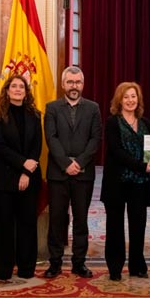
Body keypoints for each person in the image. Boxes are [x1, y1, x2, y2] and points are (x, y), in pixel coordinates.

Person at [43, 66, 102, 279]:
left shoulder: (93, 108)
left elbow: (95, 139)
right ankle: (55, 263)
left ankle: (79, 263)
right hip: (58, 174)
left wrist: (79, 162)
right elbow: (51, 138)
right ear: (63, 84)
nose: (74, 86)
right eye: (70, 82)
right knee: (57, 220)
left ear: (82, 85)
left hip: (83, 174)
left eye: (77, 82)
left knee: (81, 220)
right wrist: (66, 163)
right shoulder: (51, 108)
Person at [101, 82, 150, 281]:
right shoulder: (111, 122)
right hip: (116, 182)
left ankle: (137, 265)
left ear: (138, 99)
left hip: (139, 184)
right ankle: (115, 268)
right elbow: (117, 152)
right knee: (114, 226)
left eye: (134, 96)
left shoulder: (146, 123)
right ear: (119, 100)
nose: (130, 100)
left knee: (138, 225)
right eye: (126, 97)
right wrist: (143, 166)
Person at [0, 75, 42, 280]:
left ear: (26, 91)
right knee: (4, 226)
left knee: (27, 224)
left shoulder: (36, 115)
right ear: (7, 91)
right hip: (3, 178)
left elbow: (37, 147)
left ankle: (26, 268)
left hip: (29, 178)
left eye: (22, 86)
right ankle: (2, 270)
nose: (18, 89)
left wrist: (27, 172)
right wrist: (22, 164)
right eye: (14, 86)